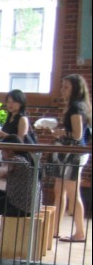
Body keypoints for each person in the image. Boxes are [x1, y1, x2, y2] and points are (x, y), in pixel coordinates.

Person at [53, 74, 91, 243]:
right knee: (59, 190)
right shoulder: (76, 107)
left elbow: (77, 135)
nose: (63, 90)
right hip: (69, 155)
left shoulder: (76, 108)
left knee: (72, 193)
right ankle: (54, 229)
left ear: (75, 89)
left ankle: (80, 232)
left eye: (66, 87)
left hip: (74, 155)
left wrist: (61, 132)